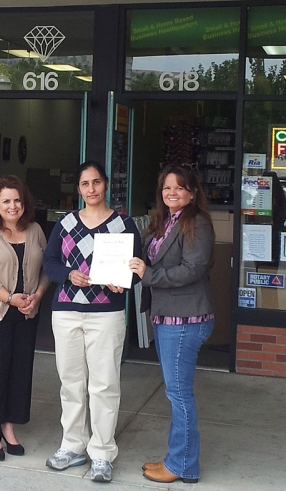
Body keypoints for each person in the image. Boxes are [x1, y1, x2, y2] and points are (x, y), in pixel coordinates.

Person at [43, 160, 142, 484]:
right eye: (85, 184)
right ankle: (72, 446)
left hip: (106, 313)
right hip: (67, 311)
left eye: (96, 182)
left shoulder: (124, 225)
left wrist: (124, 281)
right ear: (79, 189)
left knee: (104, 384)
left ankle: (101, 453)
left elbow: (136, 268)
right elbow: (49, 262)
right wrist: (68, 274)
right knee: (71, 383)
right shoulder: (66, 223)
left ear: (106, 184)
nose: (91, 189)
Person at [129, 164, 215, 485]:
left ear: (192, 193)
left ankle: (182, 465)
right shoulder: (165, 221)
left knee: (178, 394)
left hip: (185, 318)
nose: (172, 193)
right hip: (168, 316)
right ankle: (176, 458)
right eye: (167, 187)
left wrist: (149, 275)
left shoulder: (197, 222)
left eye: (179, 187)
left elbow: (193, 269)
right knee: (175, 391)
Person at [0, 175, 50, 461]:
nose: (12, 206)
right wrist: (9, 298)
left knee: (20, 372)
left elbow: (47, 268)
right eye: (6, 201)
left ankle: (8, 426)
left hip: (27, 312)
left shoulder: (35, 230)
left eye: (17, 200)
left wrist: (37, 295)